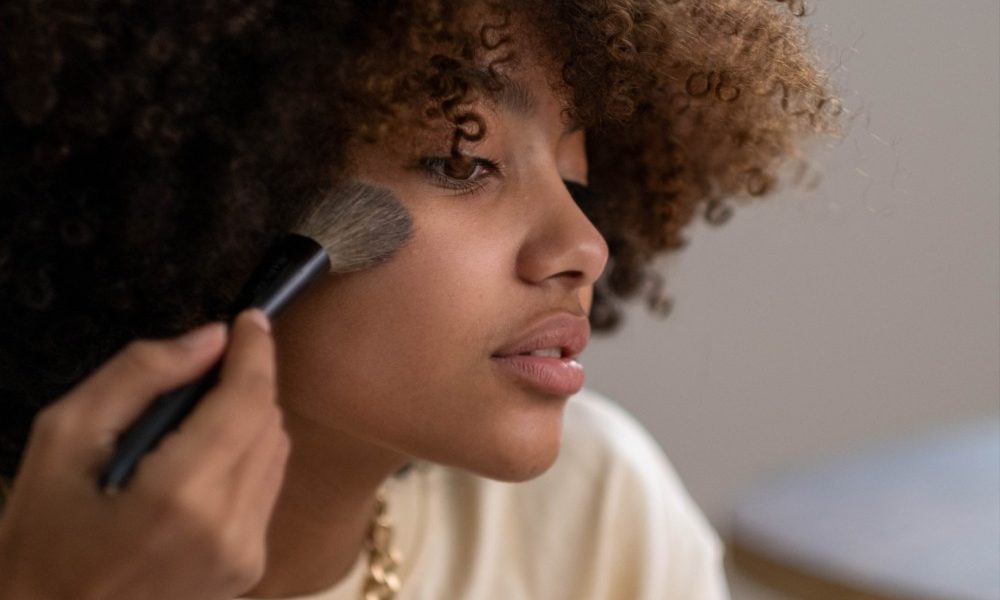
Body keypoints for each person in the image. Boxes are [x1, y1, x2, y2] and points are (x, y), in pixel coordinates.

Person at [0, 1, 839, 598]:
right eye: (462, 160)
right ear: (204, 194)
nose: (585, 248)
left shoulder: (594, 516)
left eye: (574, 171)